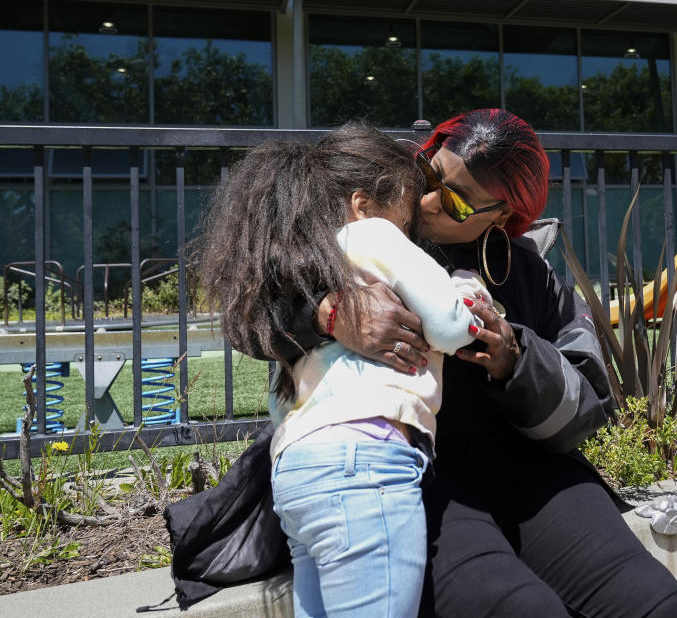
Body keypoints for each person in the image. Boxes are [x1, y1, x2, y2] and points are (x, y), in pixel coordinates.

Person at [265, 109, 677, 617]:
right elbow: (256, 317)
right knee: (519, 609)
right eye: (430, 174)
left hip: (527, 471)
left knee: (658, 607)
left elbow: (589, 403)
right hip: (413, 475)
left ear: (500, 216)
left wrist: (513, 357)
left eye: (455, 201)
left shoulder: (531, 274)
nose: (428, 201)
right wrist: (329, 313)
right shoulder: (366, 232)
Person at [194, 123, 492, 618]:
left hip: (296, 472)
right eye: (404, 215)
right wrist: (466, 290)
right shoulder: (371, 233)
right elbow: (449, 326)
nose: (411, 229)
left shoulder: (302, 261)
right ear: (363, 204)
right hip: (366, 465)